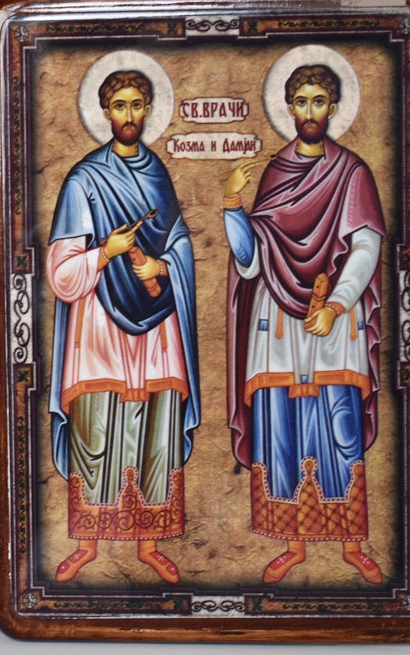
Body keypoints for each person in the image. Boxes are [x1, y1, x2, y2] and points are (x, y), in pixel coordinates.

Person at [223, 64, 386, 584]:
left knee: (339, 423)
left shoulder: (352, 173)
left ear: (333, 107)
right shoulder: (275, 173)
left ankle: (351, 542)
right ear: (290, 108)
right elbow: (252, 260)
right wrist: (232, 205)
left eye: (319, 100)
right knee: (281, 426)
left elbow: (366, 247)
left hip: (333, 319)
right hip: (276, 319)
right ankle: (292, 542)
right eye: (302, 101)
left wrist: (336, 305)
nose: (310, 111)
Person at [47, 69, 200, 584]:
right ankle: (87, 543)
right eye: (120, 106)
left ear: (149, 109)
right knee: (96, 428)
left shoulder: (158, 175)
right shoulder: (83, 181)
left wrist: (161, 266)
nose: (129, 115)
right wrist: (105, 253)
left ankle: (149, 543)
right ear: (105, 112)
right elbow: (61, 275)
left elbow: (180, 244)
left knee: (157, 428)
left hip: (157, 327)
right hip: (99, 325)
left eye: (137, 104)